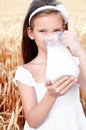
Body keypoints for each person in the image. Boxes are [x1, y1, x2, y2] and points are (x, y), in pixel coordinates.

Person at [13, 0, 86, 130]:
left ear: (64, 30)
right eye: (42, 31)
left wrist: (80, 51)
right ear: (31, 33)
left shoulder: (72, 63)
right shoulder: (25, 72)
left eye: (56, 30)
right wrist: (51, 95)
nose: (50, 37)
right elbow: (33, 122)